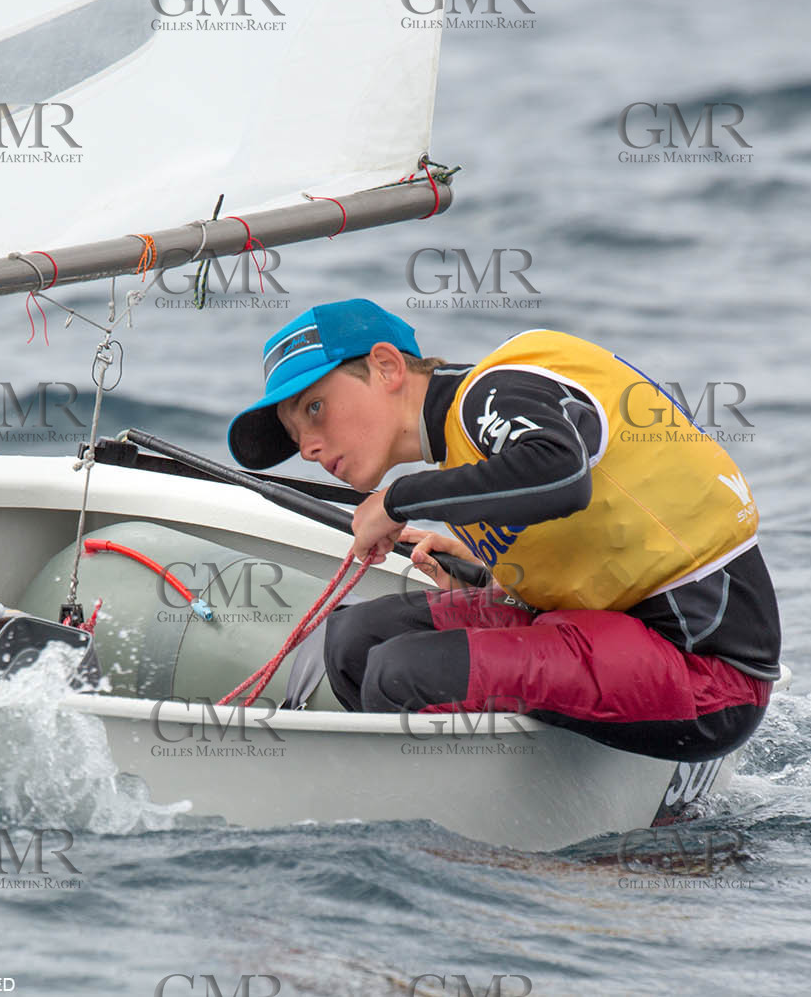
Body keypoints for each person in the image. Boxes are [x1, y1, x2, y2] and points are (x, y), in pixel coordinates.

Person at [226, 299, 780, 762]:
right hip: (612, 628)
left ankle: (436, 849)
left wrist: (398, 501)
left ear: (387, 367)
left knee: (401, 674)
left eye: (315, 408)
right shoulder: (468, 455)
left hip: (707, 672)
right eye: (295, 434)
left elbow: (561, 476)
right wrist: (490, 565)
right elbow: (592, 523)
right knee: (352, 642)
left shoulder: (491, 393)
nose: (308, 447)